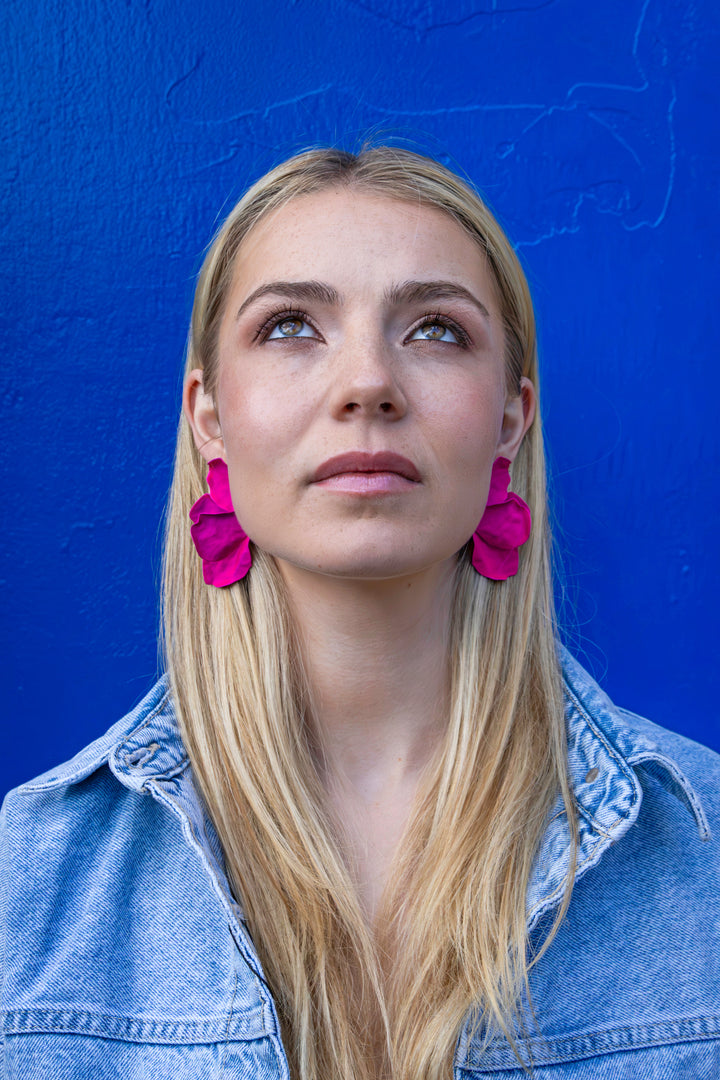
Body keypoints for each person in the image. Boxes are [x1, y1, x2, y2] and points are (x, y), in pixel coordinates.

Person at [1, 147, 718, 1080]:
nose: (368, 382)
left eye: (435, 331)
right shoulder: (31, 881)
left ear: (510, 419)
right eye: (293, 325)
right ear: (209, 419)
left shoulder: (702, 861)